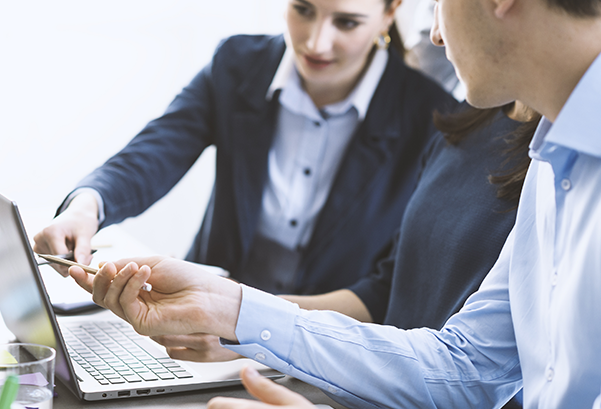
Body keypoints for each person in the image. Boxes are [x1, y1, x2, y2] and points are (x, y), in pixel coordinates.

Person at [66, 0, 601, 409]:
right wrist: (230, 309)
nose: (434, 35)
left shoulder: (462, 123)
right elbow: (466, 373)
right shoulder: (554, 165)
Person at [157, 100, 541, 409]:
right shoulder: (464, 122)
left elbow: (465, 378)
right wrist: (235, 318)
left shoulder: (554, 164)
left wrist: (243, 316)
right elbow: (386, 289)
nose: (435, 36)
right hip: (369, 408)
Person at [34, 0, 453, 296]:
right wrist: (86, 206)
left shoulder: (430, 115)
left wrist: (245, 325)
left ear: (390, 11)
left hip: (323, 349)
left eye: (346, 23)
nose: (315, 42)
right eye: (302, 9)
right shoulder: (237, 63)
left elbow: (395, 280)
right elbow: (156, 151)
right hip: (195, 322)